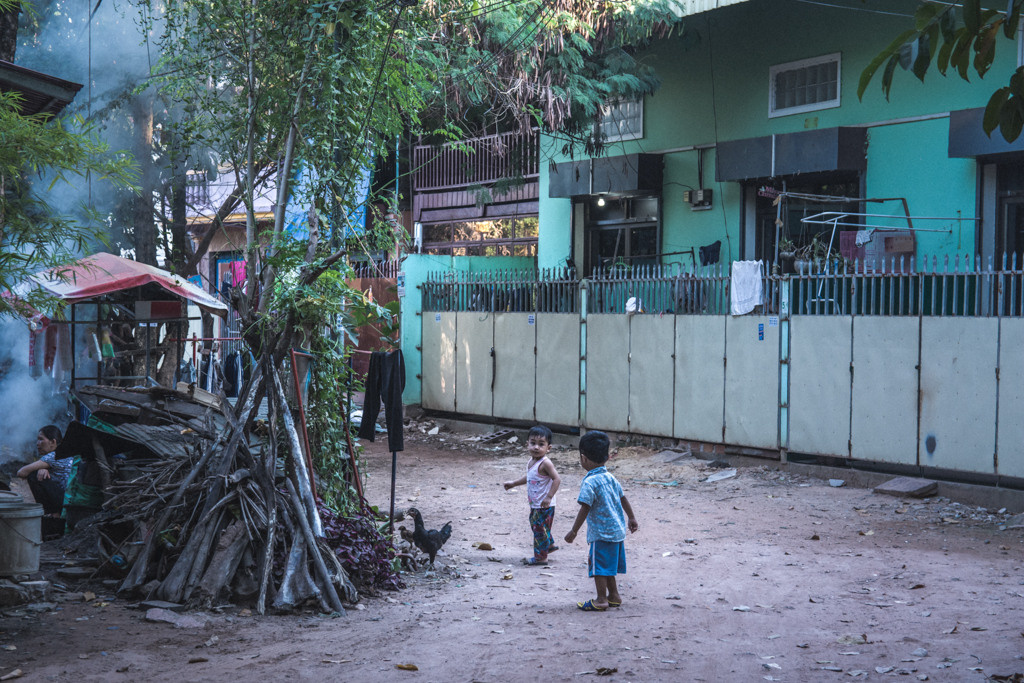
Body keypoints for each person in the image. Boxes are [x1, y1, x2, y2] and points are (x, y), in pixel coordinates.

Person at [563, 430, 638, 611]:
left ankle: (601, 599)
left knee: (599, 567)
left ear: (583, 458)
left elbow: (585, 508)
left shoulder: (590, 482)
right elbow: (623, 497)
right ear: (607, 456)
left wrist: (574, 531)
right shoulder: (610, 477)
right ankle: (614, 595)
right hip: (617, 531)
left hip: (601, 533)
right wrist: (632, 518)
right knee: (607, 566)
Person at [503, 425, 561, 566]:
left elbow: (557, 479)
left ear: (548, 448)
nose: (536, 447)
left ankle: (541, 557)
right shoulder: (532, 461)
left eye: (541, 444)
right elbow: (530, 477)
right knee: (539, 526)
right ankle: (549, 545)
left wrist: (549, 497)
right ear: (527, 444)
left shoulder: (546, 463)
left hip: (544, 504)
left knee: (539, 529)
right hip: (536, 503)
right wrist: (514, 483)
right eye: (533, 443)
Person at [16, 426, 70, 536]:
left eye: (41, 439)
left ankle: (53, 513)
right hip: (69, 499)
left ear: (53, 442)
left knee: (33, 475)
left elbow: (21, 472)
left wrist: (41, 468)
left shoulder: (53, 456)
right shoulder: (65, 452)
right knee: (38, 473)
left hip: (64, 501)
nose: (37, 443)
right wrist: (44, 468)